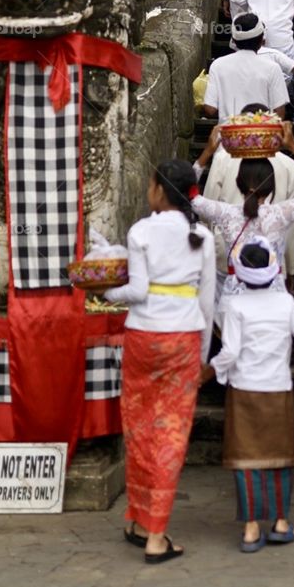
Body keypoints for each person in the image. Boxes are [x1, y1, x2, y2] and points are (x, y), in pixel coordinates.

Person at [200, 236, 294, 552]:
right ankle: (281, 523)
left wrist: (206, 373)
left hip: (244, 393)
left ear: (239, 274)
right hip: (278, 390)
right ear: (273, 269)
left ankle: (252, 529)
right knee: (279, 460)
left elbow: (231, 352)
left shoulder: (234, 305)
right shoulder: (286, 303)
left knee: (246, 461)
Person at [105, 160, 215, 564]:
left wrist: (105, 294)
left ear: (157, 189)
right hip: (183, 339)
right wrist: (202, 359)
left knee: (138, 429)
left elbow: (134, 290)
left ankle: (139, 519)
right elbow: (207, 302)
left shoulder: (141, 231)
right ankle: (155, 533)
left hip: (142, 337)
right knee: (170, 434)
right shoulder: (201, 235)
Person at [192, 121, 294, 298]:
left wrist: (207, 152)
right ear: (271, 185)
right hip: (273, 298)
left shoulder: (225, 213)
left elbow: (185, 193)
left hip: (235, 299)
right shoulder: (281, 214)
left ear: (238, 183)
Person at [203, 13, 288, 120]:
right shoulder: (273, 68)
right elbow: (280, 113)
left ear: (233, 41)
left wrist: (231, 116)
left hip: (228, 132)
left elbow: (210, 109)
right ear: (261, 40)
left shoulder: (217, 65)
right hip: (262, 134)